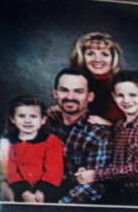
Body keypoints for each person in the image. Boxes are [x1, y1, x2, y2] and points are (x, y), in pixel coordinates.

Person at [74, 70, 138, 207]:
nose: (126, 100)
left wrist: (95, 174)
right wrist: (87, 171)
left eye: (132, 95)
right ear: (113, 97)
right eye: (120, 95)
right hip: (120, 192)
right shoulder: (119, 125)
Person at [68, 32, 138, 133]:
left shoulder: (132, 85)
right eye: (90, 54)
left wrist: (111, 125)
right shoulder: (73, 87)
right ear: (82, 58)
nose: (97, 59)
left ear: (113, 58)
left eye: (104, 54)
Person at [42, 68, 113, 204]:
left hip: (73, 205)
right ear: (55, 93)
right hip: (38, 193)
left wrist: (57, 208)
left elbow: (94, 185)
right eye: (64, 90)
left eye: (78, 91)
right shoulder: (43, 122)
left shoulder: (98, 134)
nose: (70, 97)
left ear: (90, 96)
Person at [0, 95, 64, 202]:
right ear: (13, 119)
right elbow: (10, 169)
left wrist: (42, 191)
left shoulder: (52, 141)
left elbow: (54, 169)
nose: (27, 121)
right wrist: (24, 192)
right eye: (22, 116)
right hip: (16, 189)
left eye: (33, 116)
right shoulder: (7, 141)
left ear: (43, 120)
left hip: (46, 191)